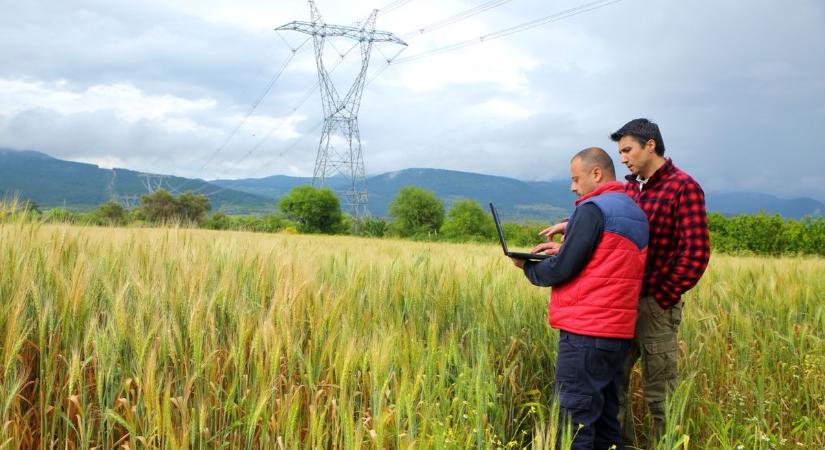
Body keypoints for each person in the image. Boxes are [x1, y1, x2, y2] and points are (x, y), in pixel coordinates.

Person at [539, 119, 711, 444]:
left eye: (628, 150)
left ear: (651, 145)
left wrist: (660, 296)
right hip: (617, 307)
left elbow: (696, 254)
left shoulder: (683, 187)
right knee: (610, 392)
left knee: (660, 396)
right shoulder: (630, 188)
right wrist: (572, 227)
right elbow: (608, 230)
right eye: (620, 152)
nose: (624, 158)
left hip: (653, 305)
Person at [511, 147, 648, 450]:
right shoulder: (634, 211)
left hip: (585, 332)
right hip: (618, 334)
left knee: (573, 425)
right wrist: (565, 248)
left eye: (576, 179)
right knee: (606, 423)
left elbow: (563, 268)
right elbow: (606, 259)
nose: (573, 187)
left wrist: (529, 268)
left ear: (596, 173)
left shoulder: (592, 209)